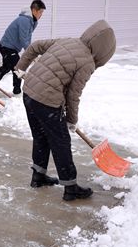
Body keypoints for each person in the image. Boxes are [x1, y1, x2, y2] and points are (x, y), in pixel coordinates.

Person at [15, 20, 116, 201]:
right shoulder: (87, 63)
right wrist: (71, 119)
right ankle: (71, 187)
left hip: (29, 92)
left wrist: (21, 68)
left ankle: (38, 176)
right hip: (46, 100)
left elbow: (35, 46)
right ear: (103, 52)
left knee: (40, 136)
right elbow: (73, 95)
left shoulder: (67, 41)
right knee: (61, 142)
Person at [0, 0, 46, 96]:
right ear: (34, 10)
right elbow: (23, 39)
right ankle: (17, 92)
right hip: (7, 47)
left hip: (9, 47)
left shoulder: (32, 21)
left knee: (6, 67)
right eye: (40, 12)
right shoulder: (25, 20)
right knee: (18, 67)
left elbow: (28, 37)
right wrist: (32, 53)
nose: (41, 15)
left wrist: (31, 51)